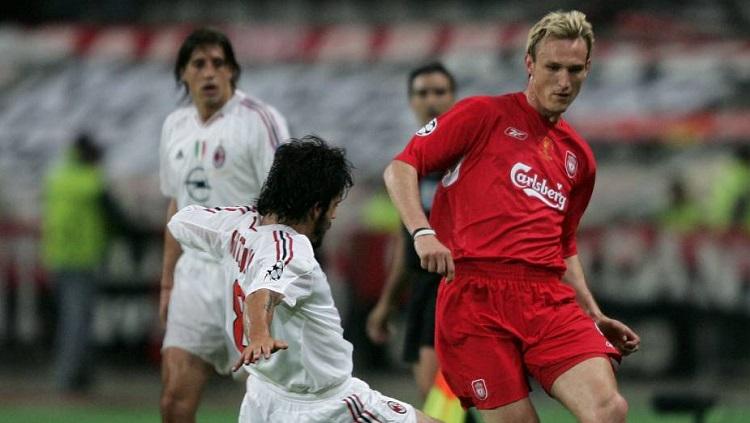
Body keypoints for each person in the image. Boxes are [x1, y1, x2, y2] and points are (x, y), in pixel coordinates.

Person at [383, 11, 640, 423]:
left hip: (545, 298)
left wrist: (592, 311)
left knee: (610, 409)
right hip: (474, 296)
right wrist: (422, 232)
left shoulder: (579, 158)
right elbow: (400, 168)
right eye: (553, 67)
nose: (563, 80)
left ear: (588, 69)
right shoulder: (482, 115)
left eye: (574, 69)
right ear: (529, 64)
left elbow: (565, 244)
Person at [167, 137, 441, 423]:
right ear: (316, 208)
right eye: (334, 205)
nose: (334, 215)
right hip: (324, 404)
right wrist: (260, 334)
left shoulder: (236, 226)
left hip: (262, 397)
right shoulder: (291, 249)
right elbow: (263, 292)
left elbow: (181, 220)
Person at [158, 28, 289, 422]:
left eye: (219, 63)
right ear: (184, 74)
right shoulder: (174, 126)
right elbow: (176, 205)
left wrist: (276, 282)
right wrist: (167, 282)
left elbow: (284, 206)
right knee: (173, 400)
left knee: (269, 398)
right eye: (199, 64)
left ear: (233, 71)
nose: (210, 72)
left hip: (246, 273)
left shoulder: (259, 120)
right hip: (193, 275)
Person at [367, 62, 457, 398]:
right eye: (422, 93)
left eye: (439, 92)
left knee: (444, 397)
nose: (431, 100)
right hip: (423, 291)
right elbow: (406, 247)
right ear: (411, 101)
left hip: (462, 288)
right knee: (437, 399)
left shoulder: (469, 158)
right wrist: (387, 304)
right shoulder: (408, 167)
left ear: (453, 98)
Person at [42, 133, 129, 393]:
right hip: (82, 258)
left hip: (57, 256)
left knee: (72, 319)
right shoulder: (90, 181)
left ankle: (79, 375)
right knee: (78, 321)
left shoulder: (57, 177)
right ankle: (70, 379)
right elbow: (117, 217)